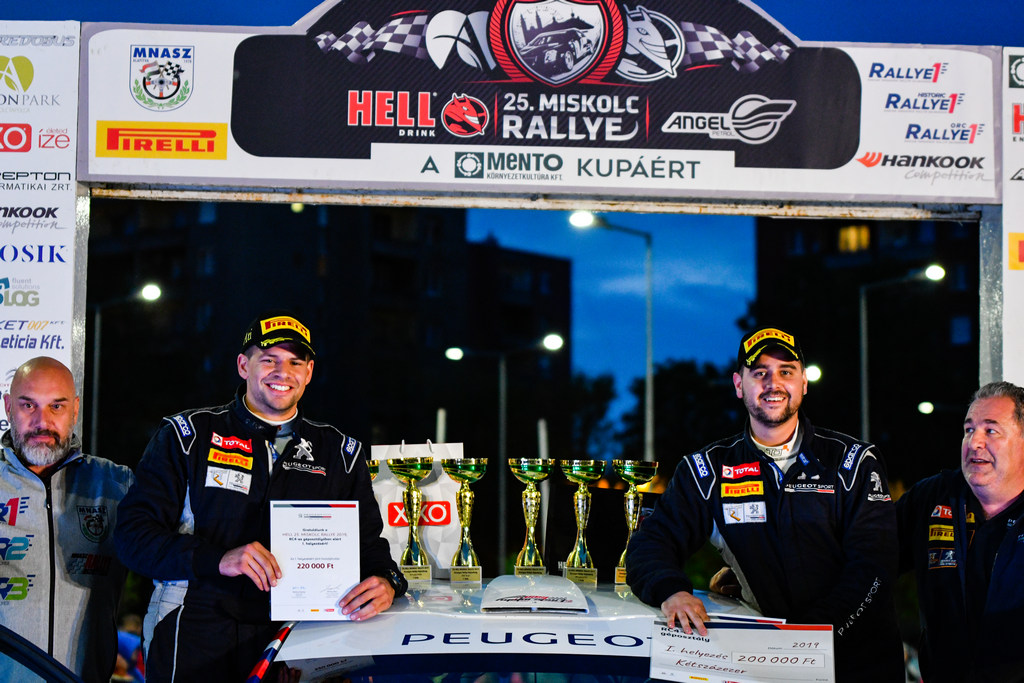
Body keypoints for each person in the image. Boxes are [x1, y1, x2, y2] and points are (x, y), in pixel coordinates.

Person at [115, 311, 407, 682]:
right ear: (243, 365)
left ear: (309, 372)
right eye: (269, 359)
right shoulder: (188, 435)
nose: (282, 372)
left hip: (295, 635)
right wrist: (219, 559)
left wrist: (387, 581)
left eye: (295, 362)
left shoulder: (339, 452)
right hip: (195, 627)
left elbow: (369, 548)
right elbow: (132, 537)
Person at [626, 326, 904, 682]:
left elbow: (874, 565)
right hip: (767, 664)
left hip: (857, 664)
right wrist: (672, 591)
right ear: (739, 385)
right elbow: (650, 542)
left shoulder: (853, 462)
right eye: (760, 373)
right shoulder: (708, 469)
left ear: (803, 382)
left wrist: (809, 638)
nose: (774, 384)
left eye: (786, 372)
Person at [0, 356, 134, 682]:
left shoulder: (116, 485)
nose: (42, 422)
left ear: (75, 410)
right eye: (28, 406)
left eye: (56, 407)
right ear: (8, 407)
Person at [896, 381, 1024, 682]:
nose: (974, 442)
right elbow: (867, 560)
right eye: (969, 429)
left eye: (990, 430)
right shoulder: (932, 498)